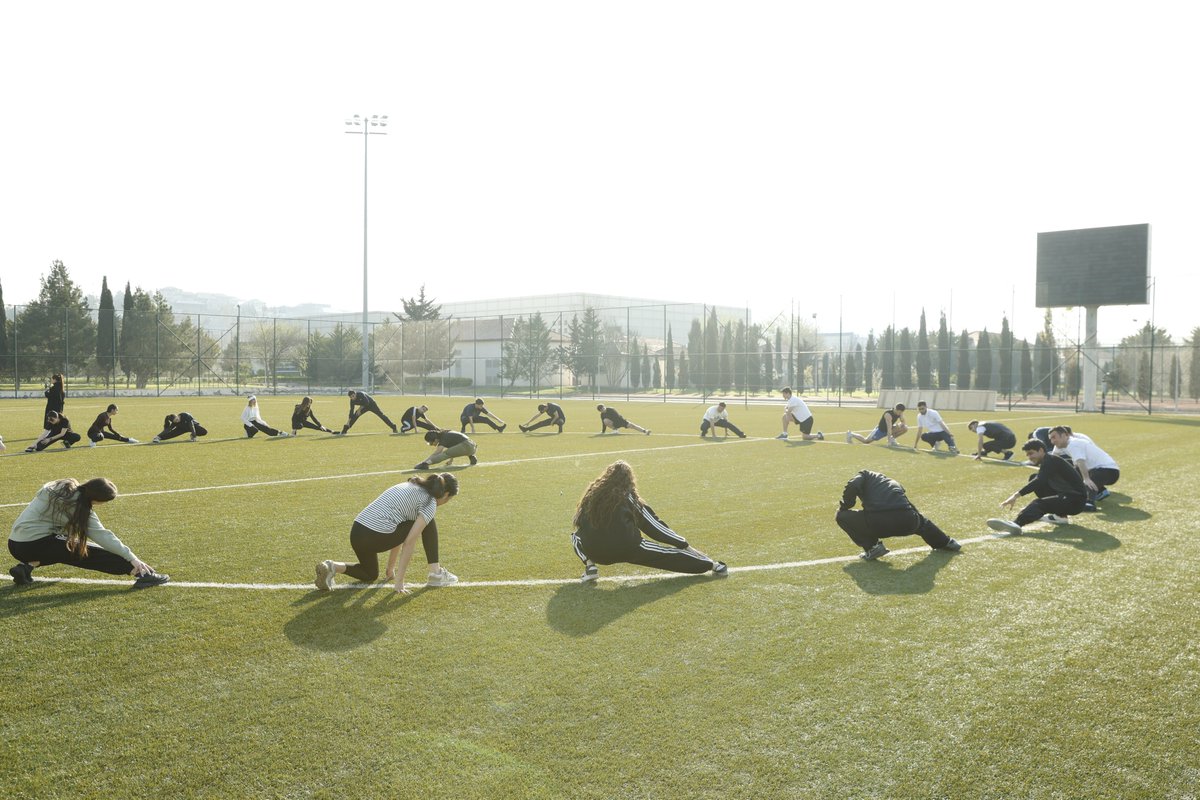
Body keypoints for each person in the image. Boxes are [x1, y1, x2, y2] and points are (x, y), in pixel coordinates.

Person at [570, 460, 726, 582]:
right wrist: (683, 544)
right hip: (629, 547)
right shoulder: (629, 497)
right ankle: (713, 565)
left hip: (597, 553)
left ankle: (590, 566)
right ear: (629, 479)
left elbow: (579, 524)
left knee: (575, 537)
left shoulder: (590, 496)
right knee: (667, 556)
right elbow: (654, 526)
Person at [8, 477, 169, 588]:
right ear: (97, 500)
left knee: (66, 544)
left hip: (15, 544)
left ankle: (26, 568)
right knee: (90, 552)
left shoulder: (61, 487)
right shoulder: (79, 508)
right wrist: (133, 558)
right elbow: (103, 536)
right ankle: (141, 573)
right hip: (35, 544)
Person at [314, 472, 460, 594]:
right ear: (446, 494)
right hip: (375, 535)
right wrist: (399, 581)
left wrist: (390, 569)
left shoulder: (412, 485)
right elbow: (408, 542)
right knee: (428, 521)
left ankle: (332, 566)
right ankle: (436, 573)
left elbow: (398, 527)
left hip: (357, 532)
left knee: (370, 574)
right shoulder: (429, 503)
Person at [836, 469, 961, 559]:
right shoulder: (894, 484)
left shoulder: (865, 474)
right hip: (908, 522)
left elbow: (852, 485)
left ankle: (873, 548)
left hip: (878, 523)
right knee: (921, 521)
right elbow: (910, 507)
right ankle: (946, 542)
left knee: (841, 516)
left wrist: (846, 505)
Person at [987, 439, 1087, 534]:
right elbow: (1038, 480)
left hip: (1075, 501)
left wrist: (1015, 496)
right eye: (1027, 455)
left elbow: (1040, 481)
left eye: (1031, 453)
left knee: (1038, 504)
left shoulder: (1050, 461)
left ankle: (1017, 524)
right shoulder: (1048, 460)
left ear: (1041, 450)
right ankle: (1061, 516)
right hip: (1069, 497)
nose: (1029, 457)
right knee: (1033, 477)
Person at [1048, 426, 1120, 508]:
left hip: (1110, 471)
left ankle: (1090, 503)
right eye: (1050, 439)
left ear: (1064, 435)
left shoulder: (1073, 444)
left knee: (1087, 478)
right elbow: (1053, 459)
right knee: (1072, 473)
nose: (1052, 441)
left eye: (1054, 437)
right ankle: (1100, 491)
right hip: (1095, 469)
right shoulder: (1059, 446)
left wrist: (1086, 478)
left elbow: (1080, 462)